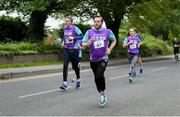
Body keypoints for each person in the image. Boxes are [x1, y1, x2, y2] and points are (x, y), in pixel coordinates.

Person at [82, 16, 117, 107]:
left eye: (98, 21)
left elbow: (114, 40)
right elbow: (83, 44)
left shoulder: (108, 32)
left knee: (99, 74)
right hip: (93, 59)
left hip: (103, 58)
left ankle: (103, 95)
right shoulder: (89, 32)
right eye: (95, 21)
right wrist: (86, 44)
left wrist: (110, 49)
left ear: (101, 22)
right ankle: (102, 91)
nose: (96, 23)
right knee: (97, 78)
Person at [60, 17, 83, 90]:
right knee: (65, 65)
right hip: (67, 49)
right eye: (65, 21)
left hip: (74, 50)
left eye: (68, 21)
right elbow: (65, 36)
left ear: (71, 22)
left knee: (75, 67)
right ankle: (64, 83)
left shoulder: (75, 28)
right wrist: (63, 42)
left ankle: (78, 79)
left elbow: (81, 36)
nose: (66, 22)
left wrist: (73, 38)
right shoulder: (65, 28)